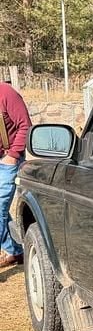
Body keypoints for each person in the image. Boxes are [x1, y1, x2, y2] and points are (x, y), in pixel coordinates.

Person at [0, 82, 32, 268]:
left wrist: (12, 156)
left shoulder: (5, 92)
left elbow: (25, 126)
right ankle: (15, 251)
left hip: (7, 161)